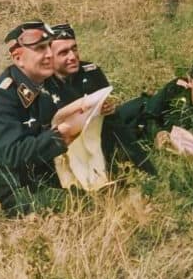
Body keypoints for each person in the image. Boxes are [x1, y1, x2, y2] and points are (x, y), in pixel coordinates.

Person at [0, 21, 87, 215]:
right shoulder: (0, 98)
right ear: (18, 58)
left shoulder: (48, 81)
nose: (49, 54)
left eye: (49, 46)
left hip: (50, 171)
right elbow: (11, 154)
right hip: (17, 185)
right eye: (40, 49)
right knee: (83, 206)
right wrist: (59, 137)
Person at [44, 23, 153, 174]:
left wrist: (108, 108)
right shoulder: (43, 84)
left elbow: (106, 105)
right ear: (49, 57)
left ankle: (144, 169)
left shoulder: (91, 71)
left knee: (124, 117)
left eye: (74, 49)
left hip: (98, 133)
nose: (72, 57)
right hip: (66, 144)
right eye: (63, 53)